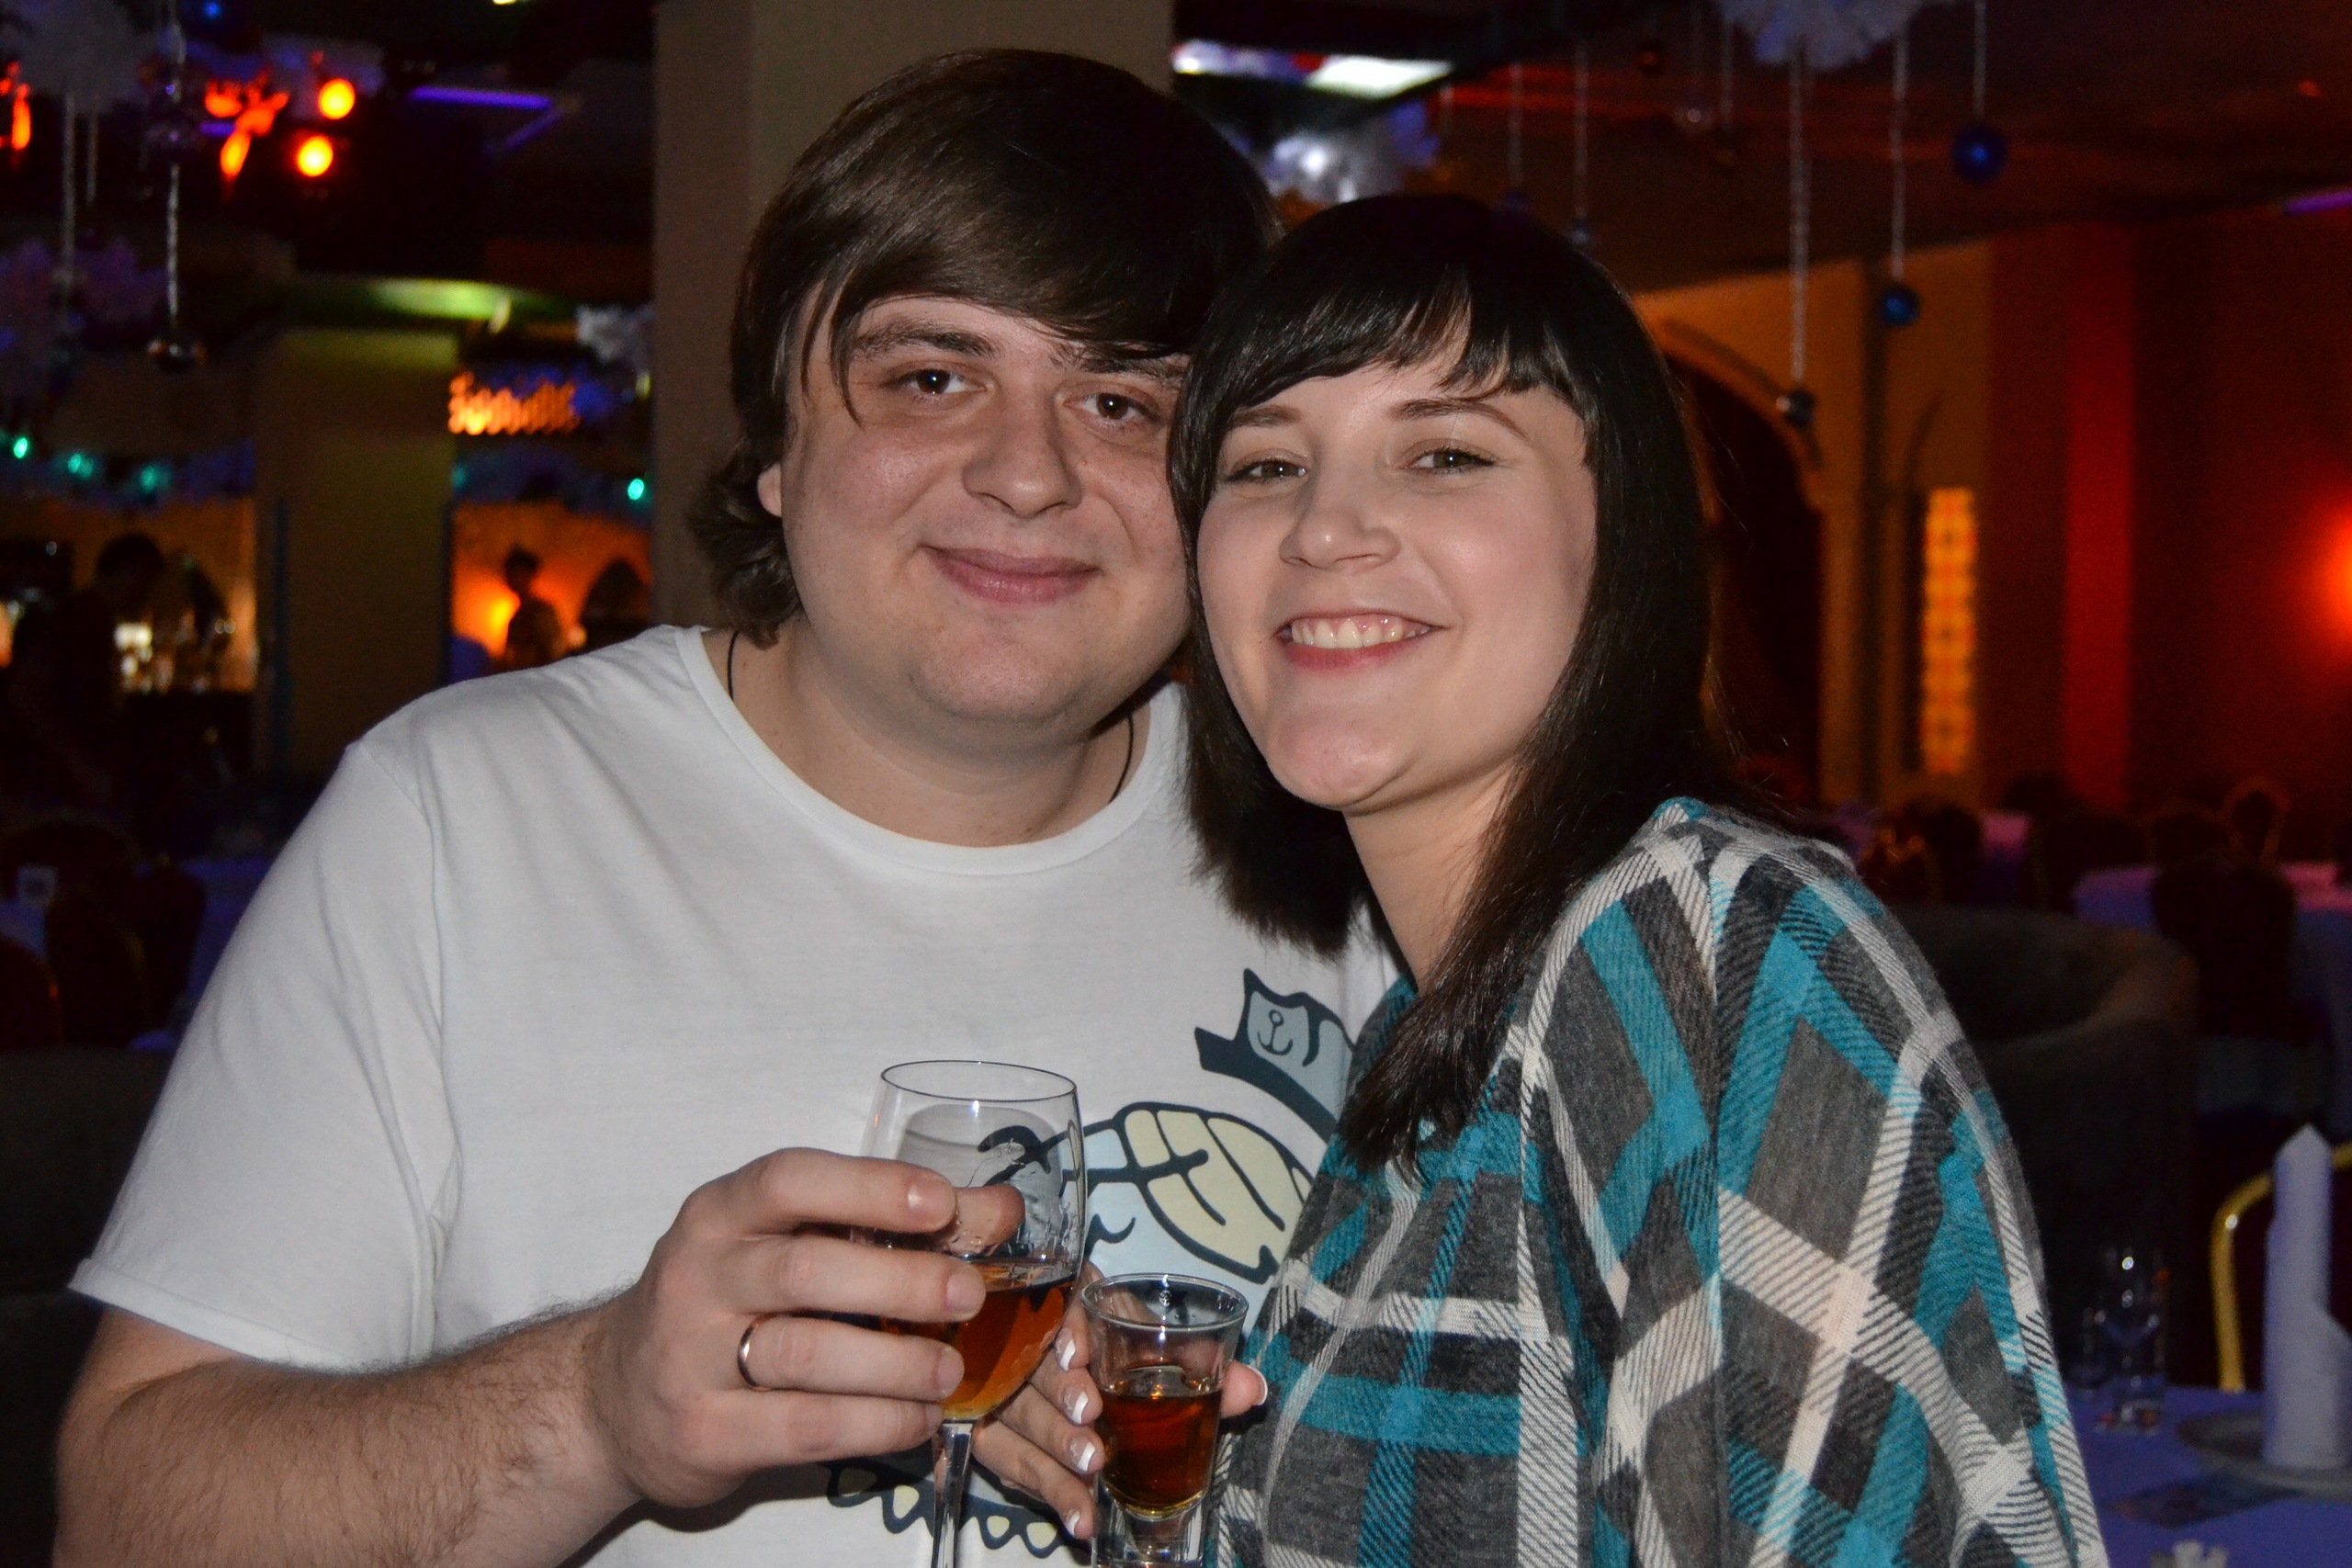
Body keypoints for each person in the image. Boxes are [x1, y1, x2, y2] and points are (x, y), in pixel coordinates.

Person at [55, 52, 1390, 1568]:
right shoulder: (457, 821)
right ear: (774, 449)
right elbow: (124, 1518)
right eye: (931, 376)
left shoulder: (1350, 851)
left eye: (1121, 399)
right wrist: (595, 1404)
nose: (1030, 473)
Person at [1035, 194, 2102, 1565]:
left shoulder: (1707, 944)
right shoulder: (1437, 1022)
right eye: (1265, 464)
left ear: (1619, 545)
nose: (1324, 528)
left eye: (1444, 452)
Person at [6, 530, 164, 809]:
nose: (146, 592)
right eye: (144, 579)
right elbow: (25, 695)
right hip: (59, 782)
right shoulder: (79, 621)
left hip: (69, 777)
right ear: (126, 573)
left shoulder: (93, 619)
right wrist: (79, 765)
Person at [501, 544, 568, 669]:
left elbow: (553, 651)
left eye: (517, 573)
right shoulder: (517, 617)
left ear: (530, 575)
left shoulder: (542, 612)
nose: (511, 578)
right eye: (510, 573)